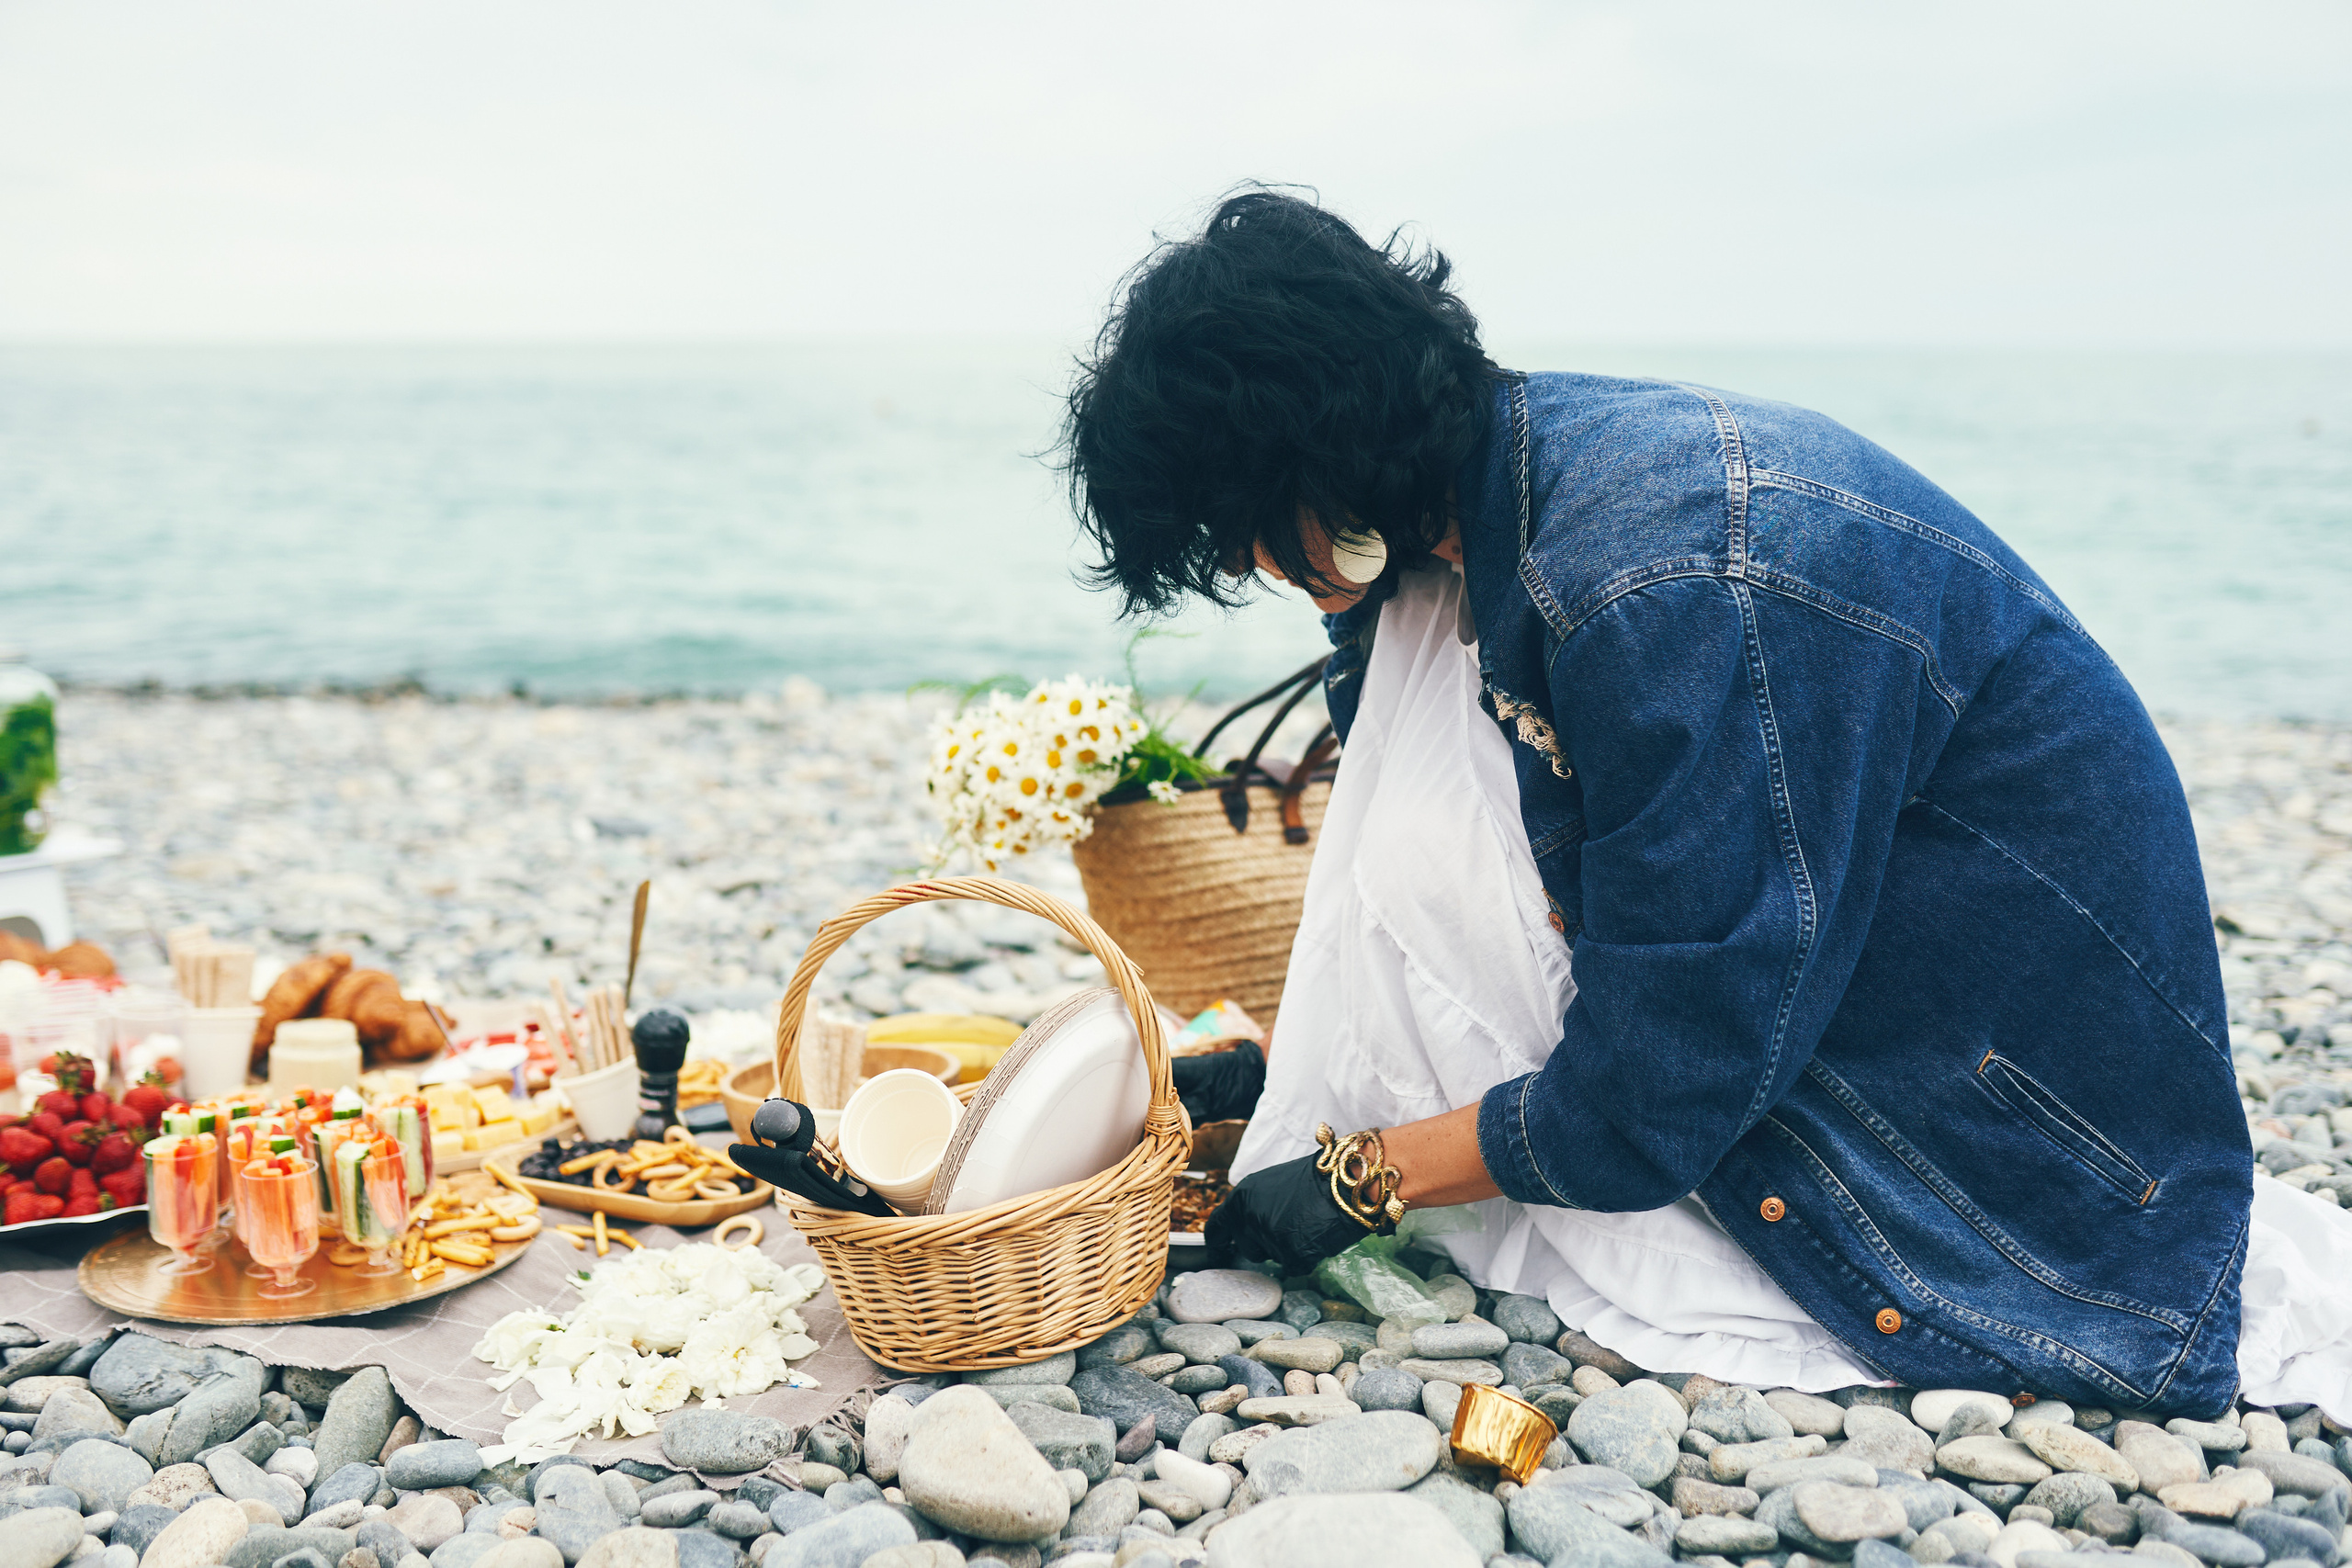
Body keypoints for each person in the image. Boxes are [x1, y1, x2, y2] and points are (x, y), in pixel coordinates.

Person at [1062, 189, 2352, 1417]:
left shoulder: (1661, 582)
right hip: (1840, 959)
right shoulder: (1483, 508)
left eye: (1237, 529)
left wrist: (1365, 1176)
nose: (1244, 565)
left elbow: (1673, 1070)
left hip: (2012, 1096)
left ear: (1316, 452)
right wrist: (1304, 1071)